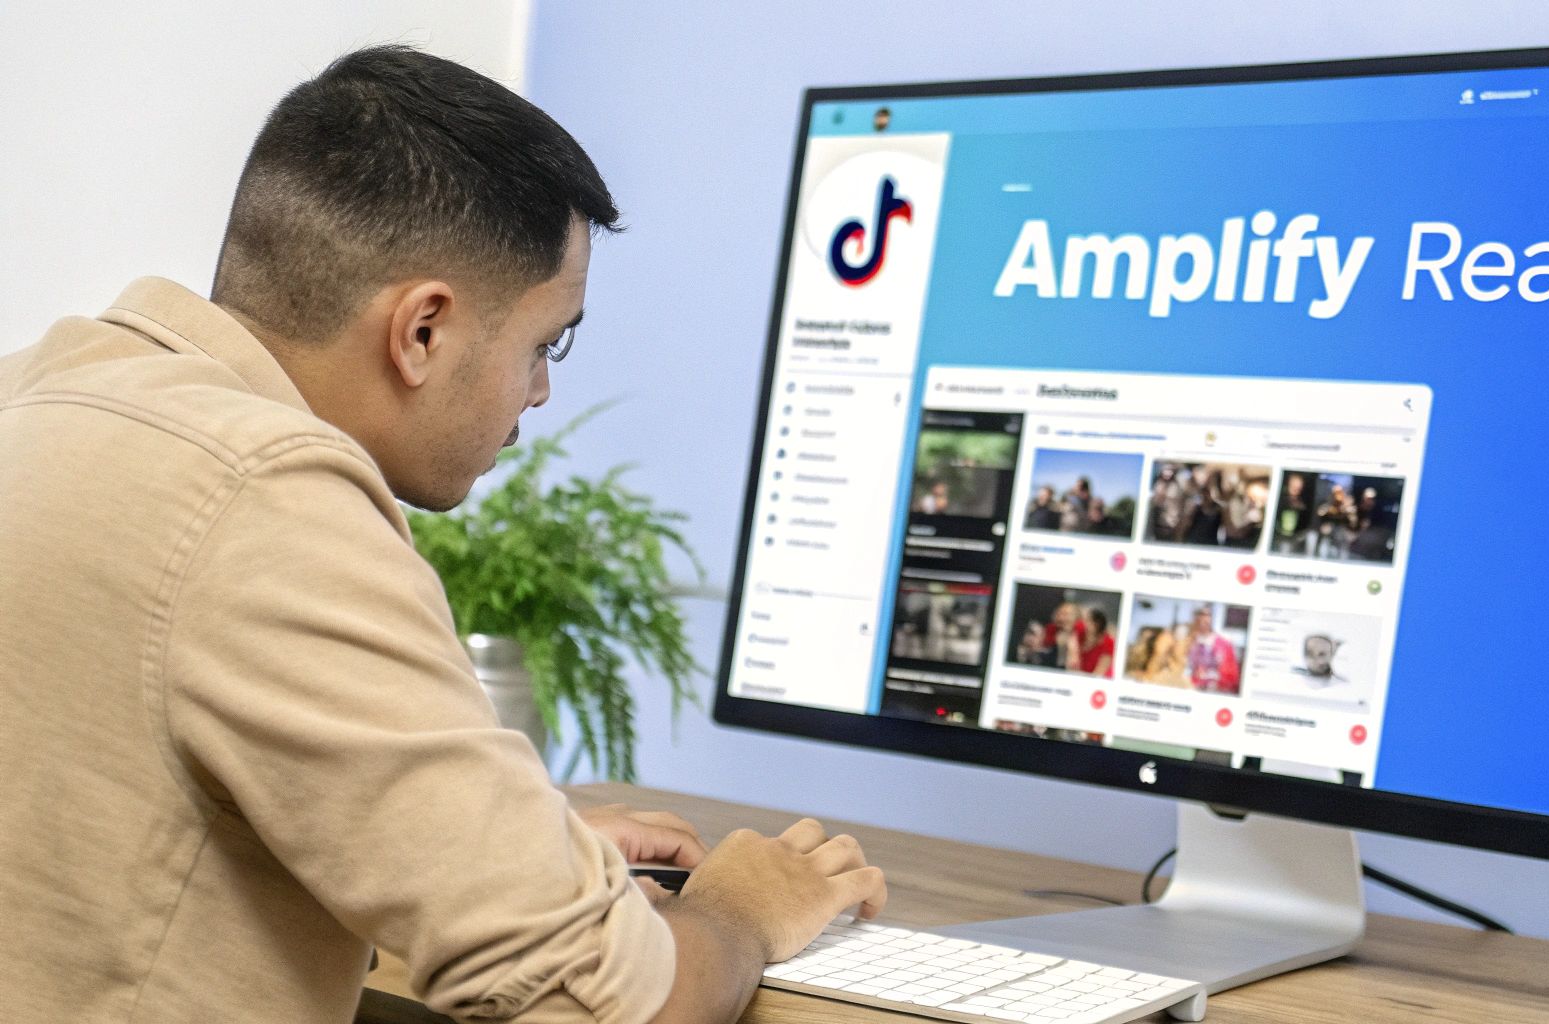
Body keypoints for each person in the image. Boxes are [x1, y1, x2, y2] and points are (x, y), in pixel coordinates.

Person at [0, 47, 885, 1024]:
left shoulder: (38, 397)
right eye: (545, 342)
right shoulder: (268, 502)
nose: (540, 391)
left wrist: (506, 851)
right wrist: (739, 911)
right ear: (421, 330)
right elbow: (599, 1005)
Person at [1185, 605, 1241, 694]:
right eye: (1199, 615)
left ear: (1211, 618)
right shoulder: (1186, 643)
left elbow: (1232, 678)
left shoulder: (1225, 645)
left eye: (1206, 615)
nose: (1202, 619)